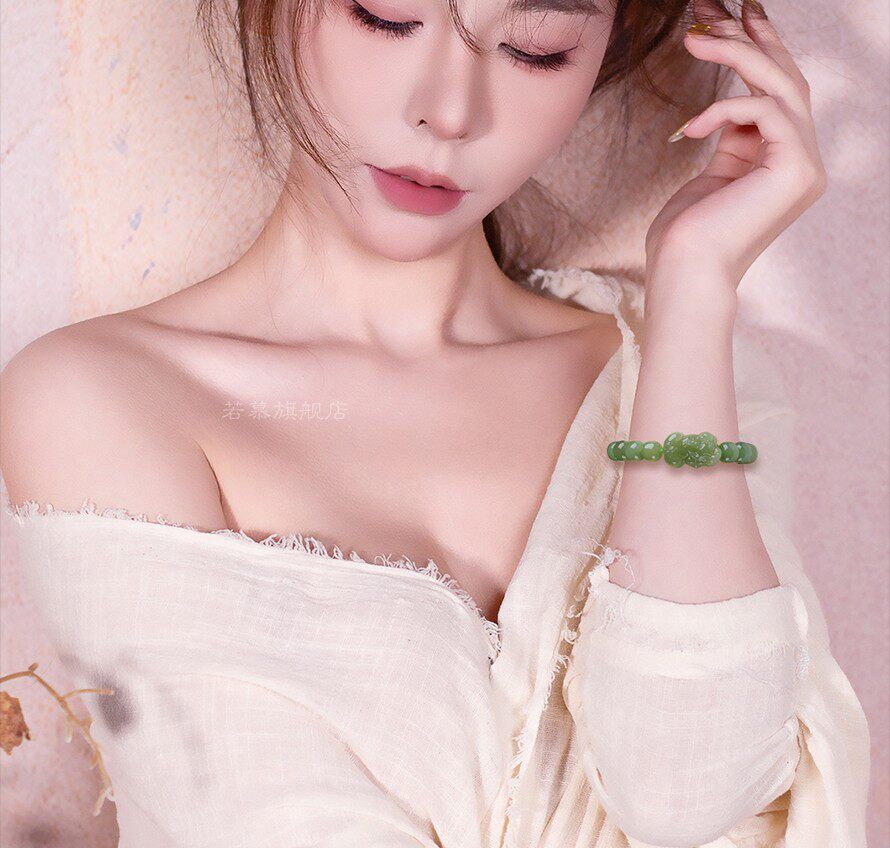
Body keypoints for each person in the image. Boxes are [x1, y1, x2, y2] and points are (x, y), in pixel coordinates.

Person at [0, 0, 870, 846]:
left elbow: (687, 795)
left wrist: (696, 286)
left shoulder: (682, 378)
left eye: (536, 46)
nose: (450, 112)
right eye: (386, 17)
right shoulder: (101, 401)